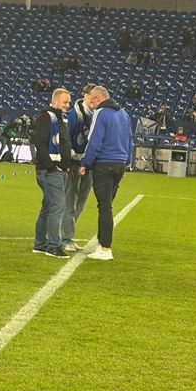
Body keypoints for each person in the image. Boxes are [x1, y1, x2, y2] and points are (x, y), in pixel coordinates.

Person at [78, 86, 134, 261]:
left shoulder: (101, 113)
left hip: (104, 163)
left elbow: (94, 140)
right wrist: (127, 163)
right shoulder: (124, 114)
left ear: (98, 98)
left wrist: (85, 163)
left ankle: (105, 248)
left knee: (104, 206)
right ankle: (102, 243)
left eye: (92, 101)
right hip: (119, 164)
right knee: (107, 205)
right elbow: (130, 140)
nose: (92, 105)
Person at [32, 88, 73, 258]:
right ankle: (53, 246)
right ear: (55, 101)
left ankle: (40, 244)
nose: (67, 105)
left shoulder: (58, 117)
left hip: (55, 170)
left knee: (48, 207)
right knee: (58, 206)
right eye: (65, 101)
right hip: (50, 171)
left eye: (69, 102)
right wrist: (52, 167)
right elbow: (40, 143)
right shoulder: (47, 117)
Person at [61, 84, 97, 253]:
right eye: (92, 97)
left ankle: (68, 235)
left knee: (80, 204)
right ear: (86, 96)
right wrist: (71, 161)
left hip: (88, 165)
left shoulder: (96, 115)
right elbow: (66, 138)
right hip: (75, 164)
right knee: (70, 202)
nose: (95, 101)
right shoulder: (74, 114)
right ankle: (65, 238)